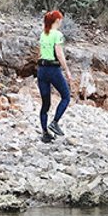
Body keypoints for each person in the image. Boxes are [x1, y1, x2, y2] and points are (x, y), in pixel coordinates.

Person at [38, 10, 72, 143]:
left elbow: (40, 54)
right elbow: (59, 53)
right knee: (66, 96)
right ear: (57, 20)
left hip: (41, 70)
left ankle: (45, 133)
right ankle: (55, 122)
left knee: (45, 104)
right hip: (53, 69)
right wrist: (67, 70)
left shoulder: (43, 34)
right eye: (61, 19)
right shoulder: (57, 35)